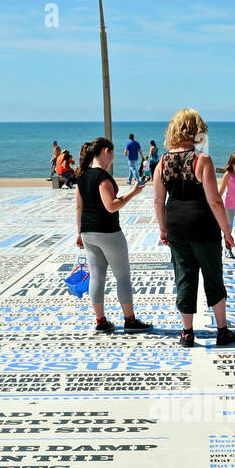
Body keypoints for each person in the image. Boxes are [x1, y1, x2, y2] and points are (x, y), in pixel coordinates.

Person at [153, 108, 235, 348]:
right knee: (213, 277)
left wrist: (162, 229)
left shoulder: (162, 162)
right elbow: (214, 201)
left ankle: (187, 333)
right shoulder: (202, 159)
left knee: (184, 278)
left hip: (176, 226)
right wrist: (227, 232)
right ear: (196, 129)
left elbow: (158, 200)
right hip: (203, 227)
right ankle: (222, 331)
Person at [74, 137, 152, 334]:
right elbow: (111, 206)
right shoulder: (102, 177)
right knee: (122, 276)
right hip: (108, 232)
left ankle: (101, 321)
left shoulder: (81, 176)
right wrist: (133, 193)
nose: (113, 158)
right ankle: (130, 320)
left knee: (97, 277)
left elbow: (78, 207)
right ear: (106, 151)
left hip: (88, 233)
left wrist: (79, 232)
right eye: (113, 153)